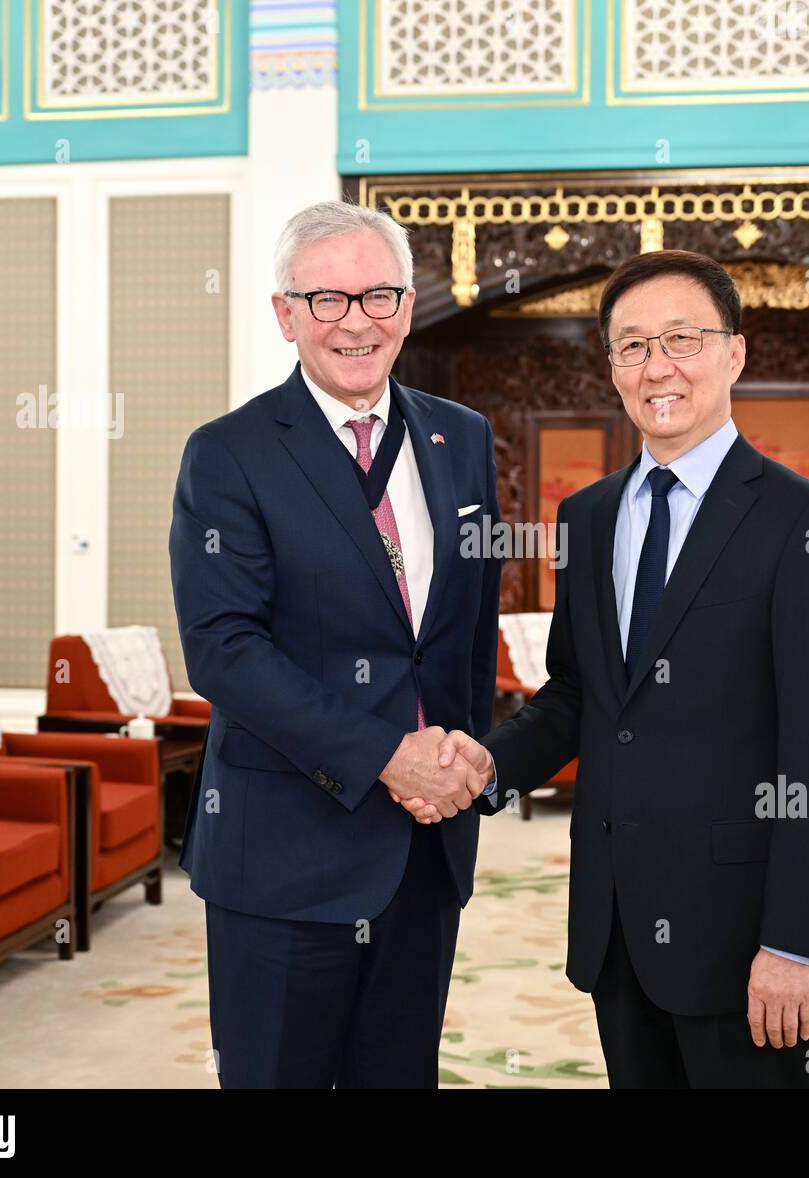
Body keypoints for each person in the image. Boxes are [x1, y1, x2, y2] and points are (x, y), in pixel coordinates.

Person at [405, 248, 809, 1088]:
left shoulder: (807, 520)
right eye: (632, 347)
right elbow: (580, 695)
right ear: (612, 368)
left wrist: (795, 942)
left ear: (734, 353)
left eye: (681, 340)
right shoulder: (586, 517)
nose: (657, 367)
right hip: (617, 924)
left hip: (747, 942)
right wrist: (486, 767)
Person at [169, 200, 501, 1087]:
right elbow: (224, 650)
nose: (357, 322)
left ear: (409, 303)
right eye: (327, 300)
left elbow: (465, 633)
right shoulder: (228, 454)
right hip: (284, 856)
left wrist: (467, 759)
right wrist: (388, 757)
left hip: (424, 855)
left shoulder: (460, 438)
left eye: (378, 295)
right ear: (286, 313)